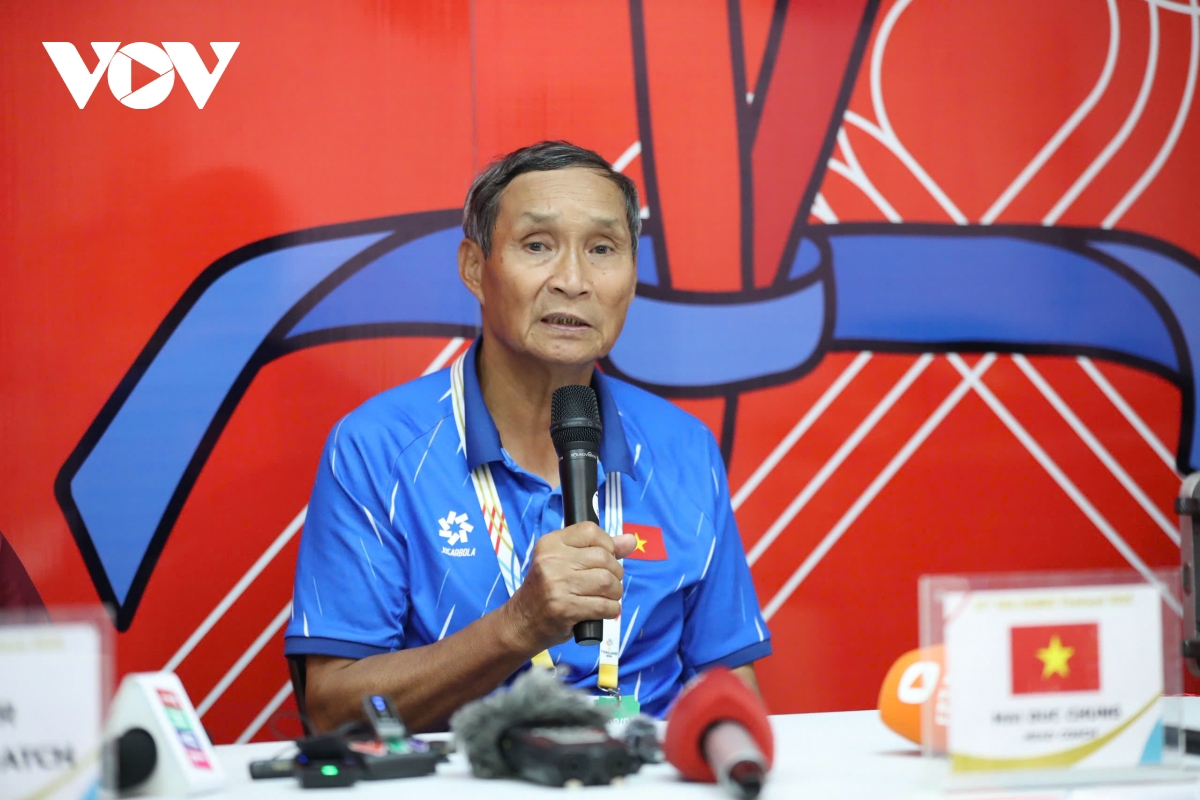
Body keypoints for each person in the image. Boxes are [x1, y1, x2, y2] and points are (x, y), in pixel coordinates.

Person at [284, 141, 771, 732]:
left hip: (642, 766)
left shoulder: (683, 448)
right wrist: (518, 627)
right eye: (538, 245)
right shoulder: (376, 449)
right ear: (475, 268)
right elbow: (330, 708)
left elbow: (729, 679)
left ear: (632, 277)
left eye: (602, 249)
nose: (573, 280)